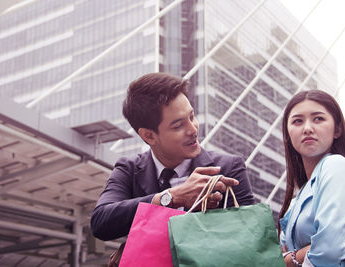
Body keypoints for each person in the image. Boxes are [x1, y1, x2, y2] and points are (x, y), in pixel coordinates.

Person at [90, 72, 254, 242]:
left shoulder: (229, 168)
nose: (193, 130)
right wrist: (170, 198)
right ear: (149, 136)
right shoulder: (129, 168)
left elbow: (248, 237)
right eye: (178, 125)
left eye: (192, 116)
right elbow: (101, 222)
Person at [278, 90, 345, 266]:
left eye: (318, 119)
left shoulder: (336, 166)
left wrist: (292, 257)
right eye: (298, 121)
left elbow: (329, 249)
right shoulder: (295, 202)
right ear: (288, 135)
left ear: (337, 130)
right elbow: (274, 258)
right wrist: (301, 254)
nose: (307, 128)